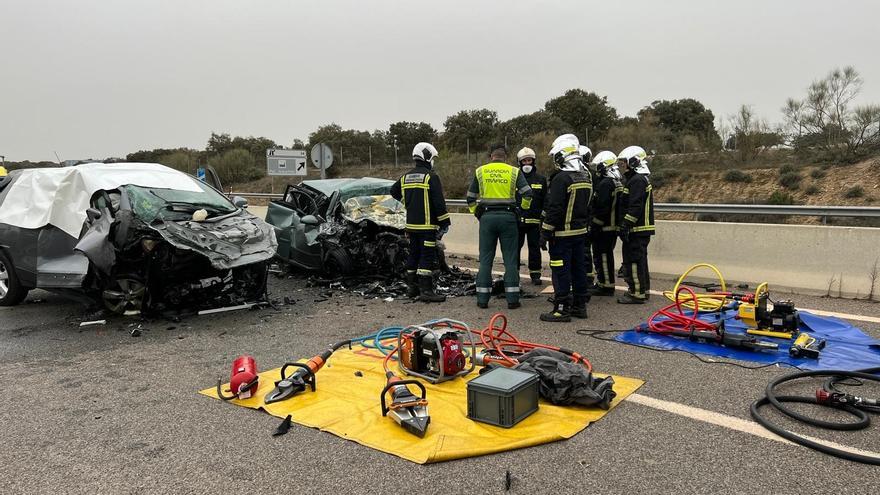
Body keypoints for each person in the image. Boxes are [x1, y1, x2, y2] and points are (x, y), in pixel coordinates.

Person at [467, 144, 533, 309]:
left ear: (491, 156)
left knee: (485, 260)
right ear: (506, 156)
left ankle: (482, 300)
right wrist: (522, 210)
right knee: (510, 259)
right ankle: (512, 300)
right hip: (508, 218)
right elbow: (527, 193)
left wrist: (477, 213)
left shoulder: (480, 171)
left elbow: (470, 197)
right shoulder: (514, 171)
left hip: (487, 218)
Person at [539, 135, 593, 322]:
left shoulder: (561, 178)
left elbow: (555, 208)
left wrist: (545, 232)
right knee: (578, 270)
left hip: (561, 236)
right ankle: (580, 306)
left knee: (560, 271)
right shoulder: (586, 176)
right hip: (580, 234)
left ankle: (561, 309)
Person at [390, 142, 451, 303]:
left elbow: (393, 191)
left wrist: (408, 202)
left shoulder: (405, 177)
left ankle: (412, 289)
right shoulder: (432, 177)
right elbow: (439, 203)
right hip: (426, 226)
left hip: (411, 226)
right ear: (427, 157)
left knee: (414, 254)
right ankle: (426, 291)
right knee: (426, 256)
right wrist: (445, 222)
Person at [616, 145, 655, 304]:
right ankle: (643, 290)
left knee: (633, 261)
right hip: (641, 230)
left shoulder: (637, 180)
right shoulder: (638, 179)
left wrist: (625, 224)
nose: (622, 166)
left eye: (625, 162)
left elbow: (635, 206)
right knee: (641, 261)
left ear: (633, 162)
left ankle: (636, 293)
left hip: (637, 229)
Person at [589, 151, 624, 296]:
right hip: (613, 226)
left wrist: (594, 226)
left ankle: (606, 285)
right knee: (606, 255)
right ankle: (604, 283)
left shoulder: (605, 184)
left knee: (602, 255)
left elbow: (601, 207)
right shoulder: (617, 181)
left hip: (604, 227)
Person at [514, 147, 547, 285]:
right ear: (520, 162)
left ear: (533, 161)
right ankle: (513, 273)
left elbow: (546, 199)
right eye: (524, 161)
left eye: (529, 160)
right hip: (518, 221)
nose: (527, 163)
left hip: (534, 222)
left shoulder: (541, 179)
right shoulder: (515, 178)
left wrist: (543, 216)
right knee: (515, 248)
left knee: (534, 249)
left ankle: (535, 274)